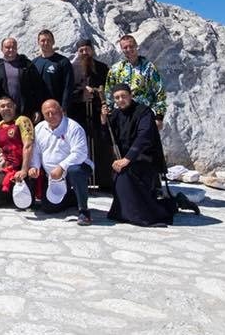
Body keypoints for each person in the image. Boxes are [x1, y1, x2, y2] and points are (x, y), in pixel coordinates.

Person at [102, 83, 173, 227]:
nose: (120, 100)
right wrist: (104, 120)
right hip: (126, 159)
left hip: (144, 159)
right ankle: (123, 213)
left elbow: (144, 138)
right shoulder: (115, 114)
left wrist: (127, 159)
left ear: (131, 96)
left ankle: (144, 216)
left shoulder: (144, 112)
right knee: (119, 174)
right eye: (117, 98)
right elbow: (109, 139)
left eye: (123, 96)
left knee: (124, 173)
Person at [29, 99, 93, 225]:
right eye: (47, 114)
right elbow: (36, 151)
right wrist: (35, 166)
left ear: (61, 111)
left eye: (54, 112)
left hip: (76, 169)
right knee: (48, 208)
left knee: (75, 170)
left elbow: (80, 153)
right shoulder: (39, 128)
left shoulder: (74, 127)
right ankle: (72, 198)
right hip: (53, 177)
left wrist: (62, 167)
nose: (51, 116)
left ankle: (84, 211)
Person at [67, 39, 111, 188]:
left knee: (101, 145)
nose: (85, 53)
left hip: (98, 114)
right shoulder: (71, 69)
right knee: (80, 145)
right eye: (81, 50)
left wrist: (99, 94)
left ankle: (103, 180)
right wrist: (81, 94)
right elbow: (67, 92)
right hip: (78, 114)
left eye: (87, 49)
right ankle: (82, 180)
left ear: (92, 50)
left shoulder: (102, 68)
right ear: (77, 52)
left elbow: (109, 90)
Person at [104, 35, 167, 129]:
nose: (129, 49)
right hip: (123, 116)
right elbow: (109, 92)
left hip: (144, 115)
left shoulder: (149, 67)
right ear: (122, 49)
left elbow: (159, 91)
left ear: (136, 46)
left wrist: (159, 117)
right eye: (125, 47)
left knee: (144, 142)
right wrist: (109, 113)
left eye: (131, 46)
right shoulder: (115, 69)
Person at [0, 97, 36, 209]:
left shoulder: (22, 120)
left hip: (24, 167)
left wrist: (24, 170)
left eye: (9, 105)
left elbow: (28, 145)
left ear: (14, 107)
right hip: (7, 169)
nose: (6, 108)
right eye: (3, 106)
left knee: (26, 203)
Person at [0, 37, 43, 120]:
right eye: (7, 47)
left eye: (13, 47)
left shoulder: (27, 64)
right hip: (5, 113)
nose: (11, 50)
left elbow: (37, 87)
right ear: (2, 49)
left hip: (26, 110)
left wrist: (37, 109)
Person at [31, 29, 74, 114]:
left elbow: (68, 86)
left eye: (48, 40)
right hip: (40, 109)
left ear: (53, 42)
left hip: (57, 109)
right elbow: (32, 87)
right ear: (38, 42)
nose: (46, 43)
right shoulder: (34, 63)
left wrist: (64, 108)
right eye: (43, 40)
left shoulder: (63, 62)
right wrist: (34, 109)